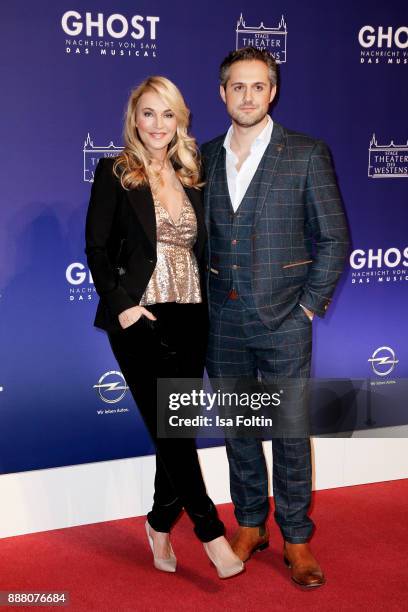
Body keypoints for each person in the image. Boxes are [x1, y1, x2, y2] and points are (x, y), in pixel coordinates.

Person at [202, 47, 349, 588]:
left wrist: (307, 307)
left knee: (289, 431)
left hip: (286, 318)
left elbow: (334, 238)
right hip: (222, 322)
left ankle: (296, 536)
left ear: (273, 92)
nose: (247, 96)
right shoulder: (204, 157)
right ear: (223, 93)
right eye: (237, 87)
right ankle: (249, 523)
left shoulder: (307, 153)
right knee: (239, 428)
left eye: (258, 86)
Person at [85, 76, 243, 579]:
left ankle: (157, 523)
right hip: (140, 316)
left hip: (191, 313)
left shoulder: (192, 177)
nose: (157, 124)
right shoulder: (116, 172)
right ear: (135, 119)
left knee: (175, 429)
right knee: (172, 434)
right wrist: (123, 306)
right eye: (148, 113)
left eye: (167, 114)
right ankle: (211, 532)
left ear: (180, 121)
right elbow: (96, 249)